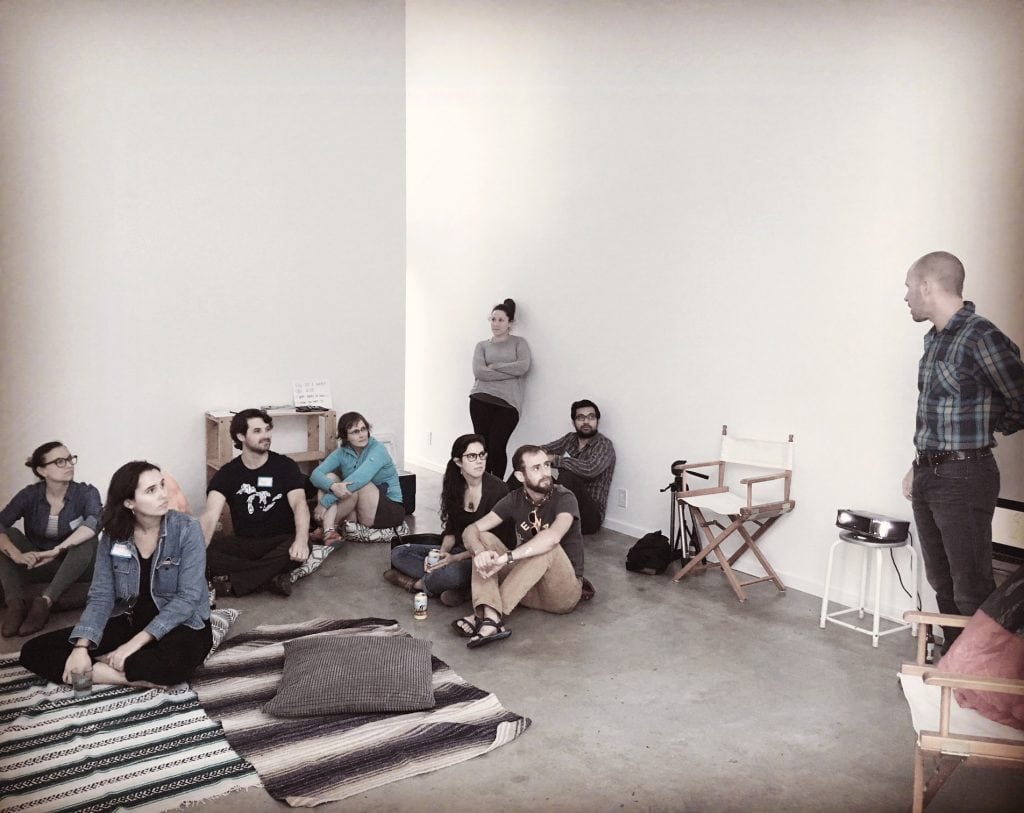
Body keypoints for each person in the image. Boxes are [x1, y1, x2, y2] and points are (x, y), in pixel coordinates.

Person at [901, 251, 1024, 650]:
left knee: (970, 586)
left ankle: (980, 673)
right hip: (929, 473)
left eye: (908, 287)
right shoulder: (936, 339)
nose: (905, 296)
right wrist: (917, 465)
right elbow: (938, 415)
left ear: (926, 285)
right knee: (942, 582)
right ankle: (954, 666)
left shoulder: (980, 336)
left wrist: (986, 429)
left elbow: (1020, 397)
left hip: (964, 475)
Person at [19, 461, 212, 688]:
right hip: (130, 620)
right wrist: (81, 647)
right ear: (129, 502)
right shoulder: (114, 535)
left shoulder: (187, 528)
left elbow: (187, 599)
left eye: (161, 485)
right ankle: (126, 676)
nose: (163, 494)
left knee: (174, 663)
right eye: (151, 490)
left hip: (180, 623)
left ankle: (104, 667)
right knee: (33, 651)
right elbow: (101, 595)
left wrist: (132, 645)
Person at [456, 445, 586, 648]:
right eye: (536, 468)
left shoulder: (564, 497)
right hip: (528, 588)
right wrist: (479, 552)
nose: (546, 473)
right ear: (520, 475)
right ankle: (490, 616)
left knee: (547, 545)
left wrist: (506, 558)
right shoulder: (514, 499)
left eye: (546, 465)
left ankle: (485, 615)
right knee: (484, 538)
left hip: (562, 593)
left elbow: (553, 537)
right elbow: (471, 530)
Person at [385, 434, 511, 606]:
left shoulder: (498, 489)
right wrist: (443, 554)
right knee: (398, 553)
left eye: (482, 455)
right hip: (458, 549)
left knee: (452, 573)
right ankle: (457, 588)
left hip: (485, 555)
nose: (479, 461)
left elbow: (497, 543)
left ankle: (417, 585)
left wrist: (455, 559)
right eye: (472, 456)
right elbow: (452, 528)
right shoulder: (455, 484)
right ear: (458, 462)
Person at [200, 408, 310, 597]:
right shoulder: (227, 474)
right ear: (241, 436)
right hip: (245, 544)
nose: (266, 435)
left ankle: (233, 584)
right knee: (205, 554)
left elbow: (299, 504)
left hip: (280, 541)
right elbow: (210, 516)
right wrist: (199, 551)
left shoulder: (285, 466)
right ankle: (269, 578)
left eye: (267, 429)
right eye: (257, 431)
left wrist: (301, 540)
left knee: (299, 546)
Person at [0, 442, 101, 637]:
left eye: (70, 459)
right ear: (42, 470)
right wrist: (17, 555)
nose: (69, 465)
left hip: (78, 565)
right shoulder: (29, 495)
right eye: (60, 462)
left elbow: (94, 522)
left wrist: (57, 550)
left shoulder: (86, 492)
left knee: (85, 538)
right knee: (8, 534)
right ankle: (15, 604)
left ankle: (45, 602)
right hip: (42, 564)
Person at [309, 411, 406, 545]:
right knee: (329, 478)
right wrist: (332, 487)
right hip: (359, 508)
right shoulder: (342, 453)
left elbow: (359, 480)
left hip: (388, 509)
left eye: (363, 429)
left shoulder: (378, 449)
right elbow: (315, 475)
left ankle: (324, 527)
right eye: (355, 432)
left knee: (358, 484)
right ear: (346, 436)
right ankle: (329, 530)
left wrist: (324, 503)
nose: (362, 435)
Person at [469, 298, 531, 478]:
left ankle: (496, 487)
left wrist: (495, 366)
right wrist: (510, 371)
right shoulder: (482, 345)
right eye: (493, 319)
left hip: (508, 403)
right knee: (482, 447)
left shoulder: (519, 343)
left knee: (497, 446)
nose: (495, 324)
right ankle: (482, 485)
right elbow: (479, 372)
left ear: (510, 322)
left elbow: (523, 367)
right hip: (480, 398)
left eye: (501, 320)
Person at [536, 399, 616, 535]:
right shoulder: (570, 439)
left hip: (589, 517)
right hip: (564, 507)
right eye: (580, 418)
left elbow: (590, 469)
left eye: (591, 417)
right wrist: (534, 455)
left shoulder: (604, 445)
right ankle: (504, 516)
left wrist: (554, 459)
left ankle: (551, 524)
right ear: (574, 422)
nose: (586, 422)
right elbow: (543, 449)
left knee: (567, 476)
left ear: (597, 421)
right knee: (528, 468)